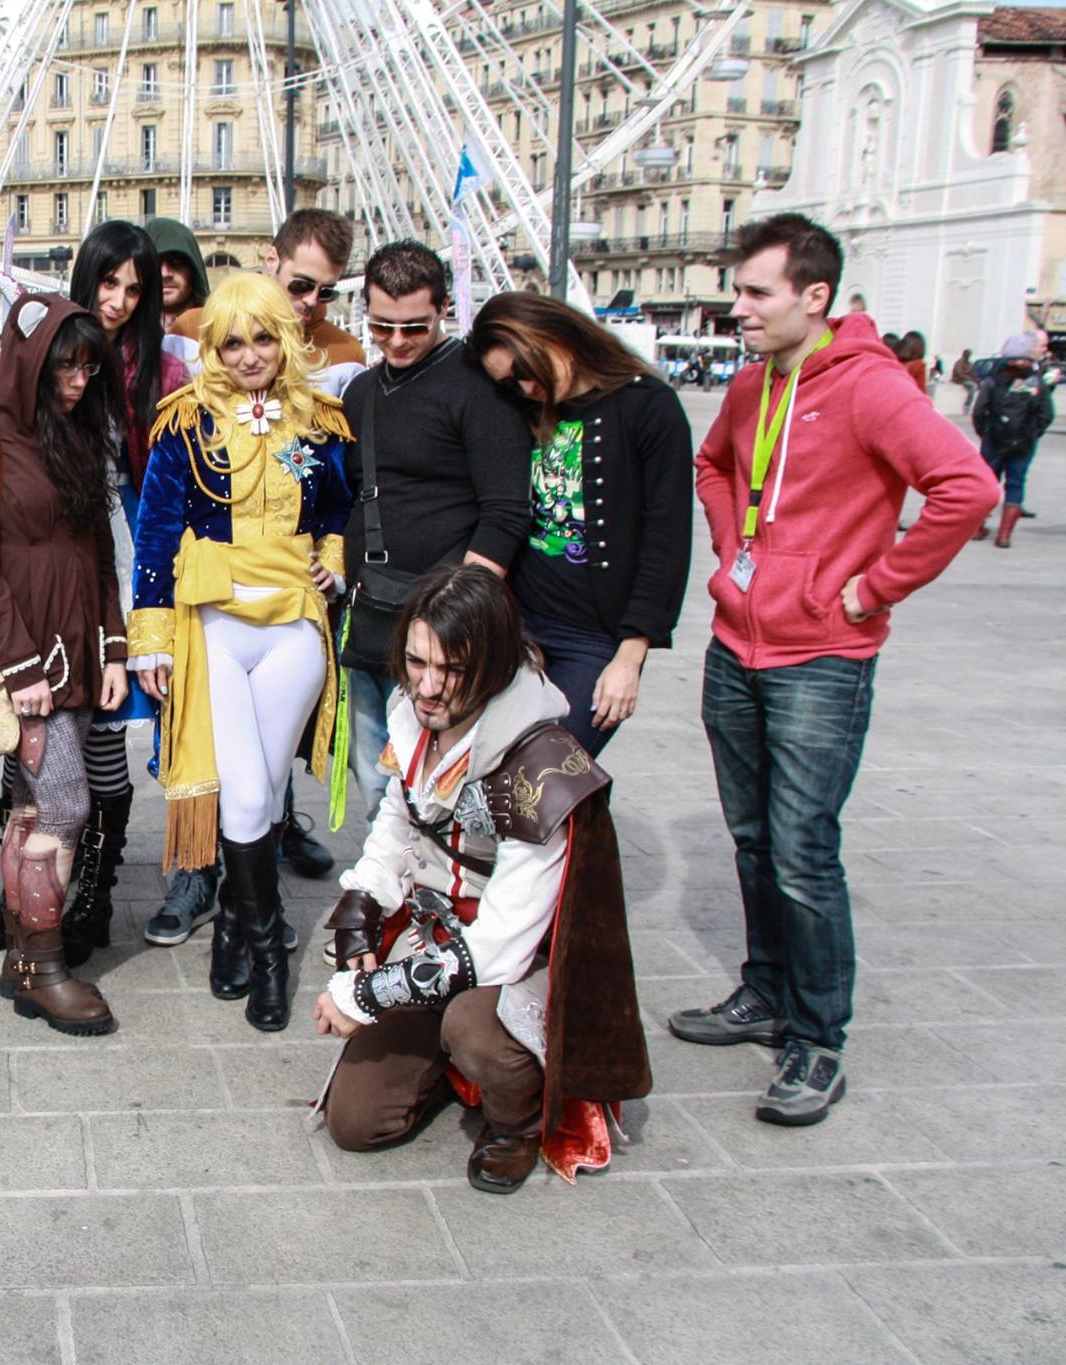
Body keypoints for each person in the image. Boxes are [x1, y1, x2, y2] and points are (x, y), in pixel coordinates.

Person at [670, 214, 996, 1125]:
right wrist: (735, 547)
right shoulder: (752, 382)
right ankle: (766, 990)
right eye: (738, 290)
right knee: (753, 839)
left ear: (814, 297)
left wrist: (874, 585)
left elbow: (968, 488)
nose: (739, 308)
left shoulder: (870, 387)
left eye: (756, 293)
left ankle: (818, 1038)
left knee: (803, 850)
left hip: (822, 657)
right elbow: (713, 465)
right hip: (737, 644)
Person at [311, 564, 649, 1193]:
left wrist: (370, 995)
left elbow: (500, 945)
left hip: (511, 962)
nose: (427, 688)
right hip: (434, 939)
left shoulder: (542, 763)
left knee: (473, 1031)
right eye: (417, 662)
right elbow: (397, 820)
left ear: (492, 667)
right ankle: (445, 1065)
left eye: (452, 670)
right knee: (356, 1123)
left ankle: (516, 1120)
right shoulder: (414, 710)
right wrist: (361, 904)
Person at [130, 272, 354, 1031]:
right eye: (232, 342)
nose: (249, 355)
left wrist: (334, 561)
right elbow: (155, 534)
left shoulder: (322, 423)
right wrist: (151, 640)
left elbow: (340, 511)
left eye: (262, 338)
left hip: (294, 626)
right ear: (213, 348)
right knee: (248, 795)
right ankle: (267, 953)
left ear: (284, 338)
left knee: (264, 787)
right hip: (212, 628)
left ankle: (233, 920)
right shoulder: (183, 423)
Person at [0, 222, 190, 959]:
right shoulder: (33, 363)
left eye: (135, 289)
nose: (119, 300)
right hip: (37, 577)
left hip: (112, 559)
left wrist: (131, 620)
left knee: (96, 739)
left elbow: (142, 498)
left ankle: (84, 892)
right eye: (109, 283)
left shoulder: (155, 373)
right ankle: (30, 906)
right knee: (36, 752)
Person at [0, 293, 129, 1033]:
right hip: (27, 656)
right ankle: (44, 967)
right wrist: (20, 664)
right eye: (65, 366)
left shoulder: (77, 435)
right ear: (30, 361)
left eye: (89, 367)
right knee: (63, 805)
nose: (79, 382)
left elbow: (100, 552)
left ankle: (24, 965)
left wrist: (113, 646)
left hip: (79, 649)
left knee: (33, 808)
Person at [338, 241, 531, 821]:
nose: (396, 341)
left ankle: (440, 875)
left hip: (445, 625)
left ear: (444, 308)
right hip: (370, 613)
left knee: (445, 780)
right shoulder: (361, 392)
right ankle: (388, 873)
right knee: (376, 773)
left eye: (414, 327)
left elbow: (506, 512)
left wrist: (457, 620)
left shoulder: (478, 388)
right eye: (381, 326)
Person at [467, 291, 694, 757]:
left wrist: (630, 657)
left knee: (550, 769)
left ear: (555, 334)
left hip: (595, 639)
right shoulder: (525, 413)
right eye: (509, 385)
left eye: (524, 369)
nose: (525, 388)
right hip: (519, 627)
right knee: (494, 767)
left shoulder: (648, 406)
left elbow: (666, 540)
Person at [168, 208, 367, 397]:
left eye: (326, 292)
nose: (312, 300)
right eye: (302, 285)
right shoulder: (192, 329)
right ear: (272, 260)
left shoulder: (347, 355)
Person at [971, 332, 1053, 548]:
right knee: (1015, 484)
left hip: (994, 440)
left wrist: (985, 433)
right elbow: (1047, 414)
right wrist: (1033, 433)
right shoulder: (1036, 381)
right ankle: (1004, 535)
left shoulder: (993, 380)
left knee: (987, 483)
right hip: (1023, 442)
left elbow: (979, 411)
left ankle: (978, 527)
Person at [147, 215, 210, 362]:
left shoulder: (219, 326)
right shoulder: (126, 335)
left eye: (176, 263)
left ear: (193, 269)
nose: (165, 274)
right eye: (154, 265)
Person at [951, 347, 979, 412]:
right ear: (964, 354)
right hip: (960, 380)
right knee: (973, 386)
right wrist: (970, 379)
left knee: (981, 385)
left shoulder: (969, 363)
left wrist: (977, 379)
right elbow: (959, 374)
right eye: (967, 354)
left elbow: (973, 372)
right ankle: (967, 404)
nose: (968, 356)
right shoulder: (959, 362)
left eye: (969, 354)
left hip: (968, 379)